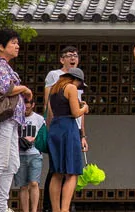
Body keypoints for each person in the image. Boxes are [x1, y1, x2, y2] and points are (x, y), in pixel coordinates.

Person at [0, 30, 34, 212]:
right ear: (1, 46)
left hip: (10, 121)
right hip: (1, 120)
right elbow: (6, 88)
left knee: (12, 163)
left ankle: (1, 205)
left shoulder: (5, 65)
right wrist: (25, 89)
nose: (17, 46)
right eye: (13, 42)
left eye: (17, 43)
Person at [47, 67, 89, 212]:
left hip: (55, 127)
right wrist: (85, 108)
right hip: (68, 129)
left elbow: (52, 111)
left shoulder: (53, 88)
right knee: (72, 172)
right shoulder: (71, 87)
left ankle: (56, 209)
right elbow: (76, 113)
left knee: (57, 172)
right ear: (75, 79)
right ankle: (65, 209)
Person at [15, 115, 46, 212]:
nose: (27, 106)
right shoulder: (16, 117)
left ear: (33, 104)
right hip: (20, 154)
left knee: (34, 183)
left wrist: (35, 140)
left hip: (35, 154)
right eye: (25, 102)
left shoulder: (39, 119)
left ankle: (34, 210)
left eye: (29, 102)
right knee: (23, 185)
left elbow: (43, 134)